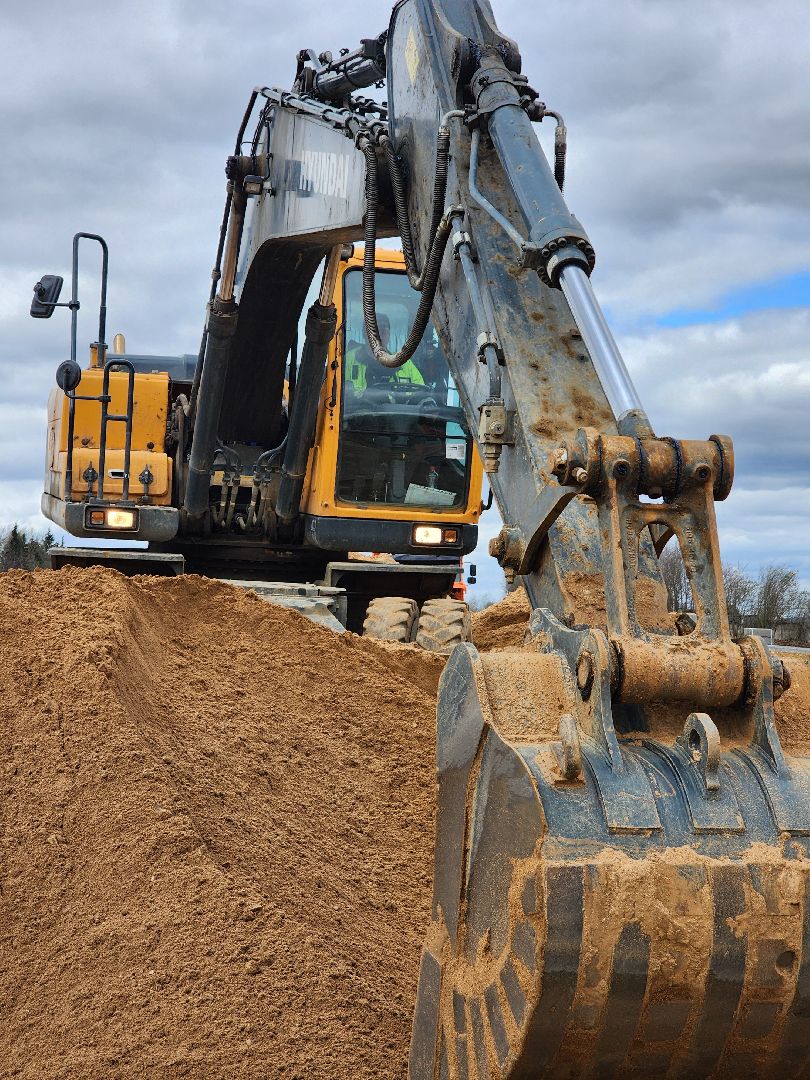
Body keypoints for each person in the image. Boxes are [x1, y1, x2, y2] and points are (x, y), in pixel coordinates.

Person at [344, 313, 425, 392]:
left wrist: (427, 401)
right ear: (364, 334)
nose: (378, 335)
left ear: (388, 334)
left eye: (382, 330)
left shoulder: (404, 363)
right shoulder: (347, 361)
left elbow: (422, 393)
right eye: (373, 330)